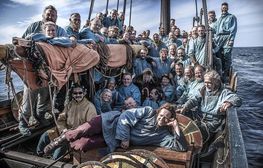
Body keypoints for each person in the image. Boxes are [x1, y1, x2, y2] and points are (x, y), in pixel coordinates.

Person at [44, 103, 187, 154]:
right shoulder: (149, 111)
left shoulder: (163, 135)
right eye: (161, 115)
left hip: (113, 140)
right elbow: (126, 116)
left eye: (167, 118)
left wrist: (176, 127)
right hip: (111, 121)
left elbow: (180, 147)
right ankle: (57, 142)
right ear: (159, 112)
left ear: (170, 120)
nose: (162, 119)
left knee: (83, 145)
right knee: (81, 130)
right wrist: (125, 138)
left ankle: (67, 146)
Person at [19, 5, 68, 136]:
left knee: (45, 99)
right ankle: (23, 123)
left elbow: (67, 43)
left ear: (56, 18)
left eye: (53, 15)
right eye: (48, 14)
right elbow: (22, 42)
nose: (50, 16)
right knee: (29, 98)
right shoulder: (33, 28)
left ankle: (41, 116)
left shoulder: (60, 31)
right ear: (43, 15)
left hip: (49, 71)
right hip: (31, 71)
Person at [177, 70, 242, 142]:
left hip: (211, 122)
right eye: (205, 82)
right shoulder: (203, 90)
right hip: (198, 117)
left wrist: (229, 102)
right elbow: (193, 100)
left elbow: (237, 99)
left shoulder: (223, 92)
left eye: (209, 83)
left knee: (196, 130)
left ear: (216, 82)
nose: (206, 85)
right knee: (177, 114)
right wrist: (185, 107)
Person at [36, 84, 97, 159]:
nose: (78, 95)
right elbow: (61, 119)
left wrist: (74, 133)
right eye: (75, 93)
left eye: (80, 93)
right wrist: (63, 129)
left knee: (57, 152)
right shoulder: (69, 105)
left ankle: (53, 161)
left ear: (84, 93)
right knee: (45, 136)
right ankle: (39, 154)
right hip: (64, 129)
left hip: (76, 134)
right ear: (72, 94)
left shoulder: (90, 107)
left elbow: (90, 126)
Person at [214, 2, 237, 81]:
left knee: (227, 54)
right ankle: (220, 71)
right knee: (218, 54)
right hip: (219, 38)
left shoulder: (232, 17)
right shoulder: (219, 18)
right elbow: (215, 28)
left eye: (225, 7)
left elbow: (233, 29)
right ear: (221, 9)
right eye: (223, 7)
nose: (224, 9)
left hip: (227, 37)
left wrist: (231, 40)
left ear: (227, 8)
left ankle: (226, 73)